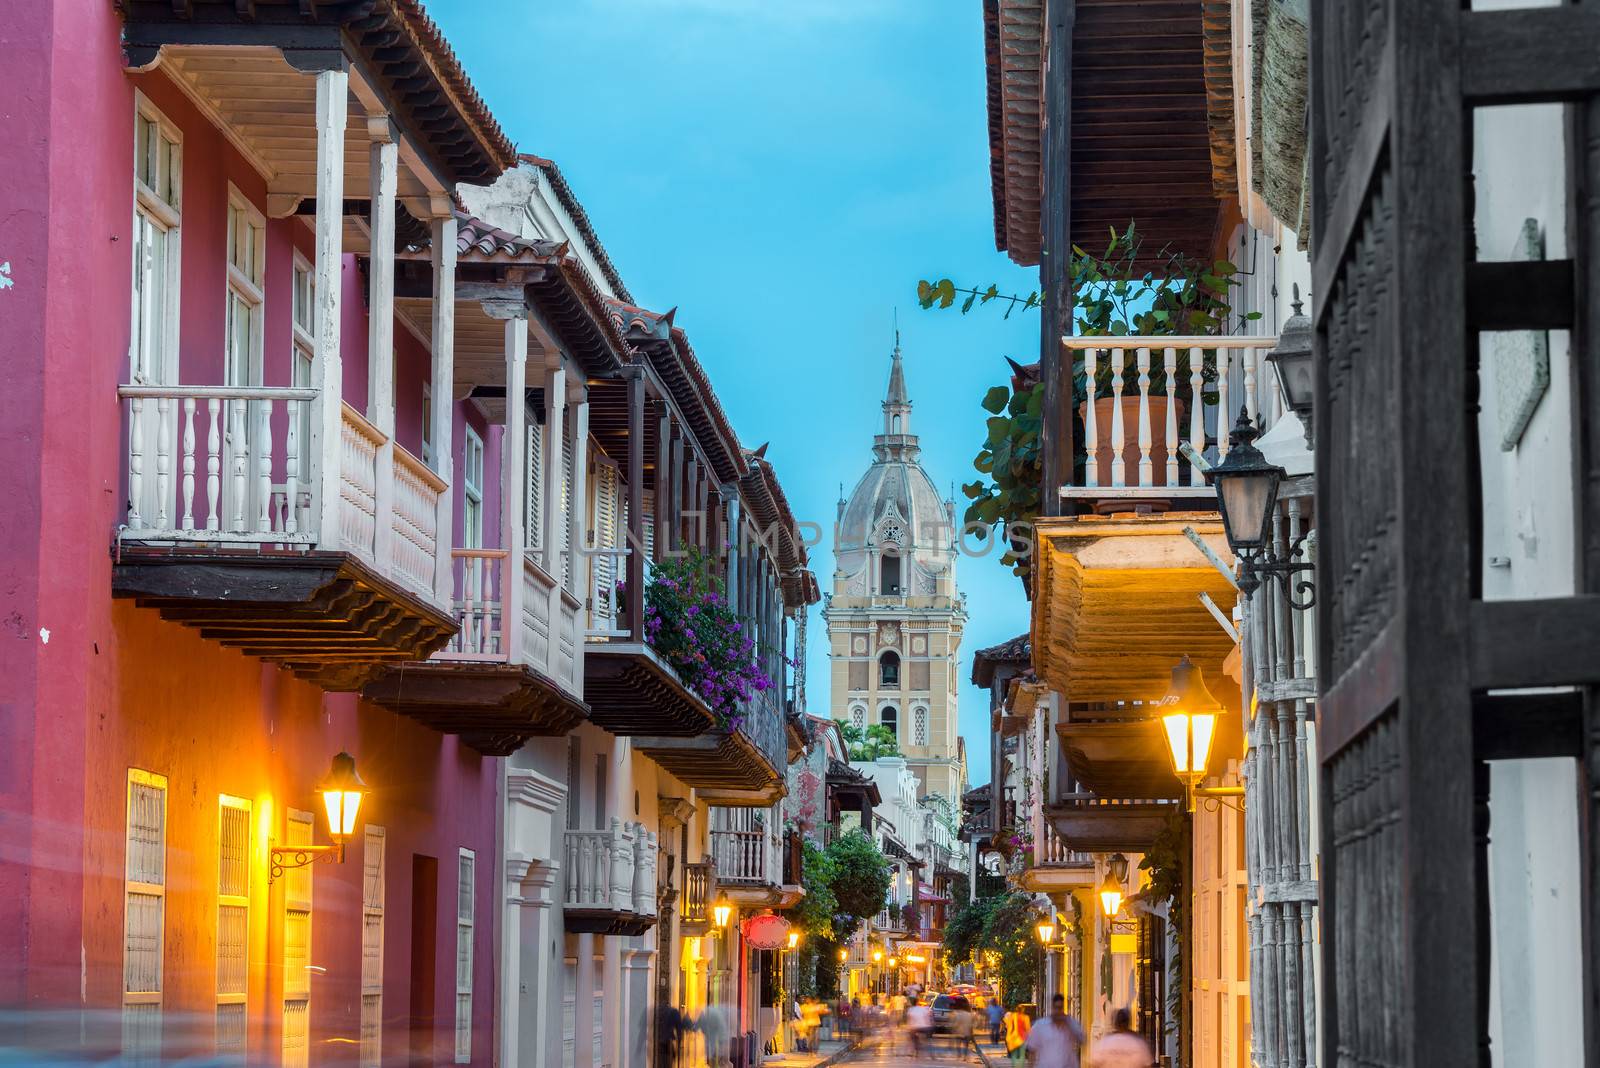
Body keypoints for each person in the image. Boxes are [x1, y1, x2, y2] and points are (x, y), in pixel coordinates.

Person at [1024, 994, 1086, 1068]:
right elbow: (1032, 1050)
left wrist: (1069, 1025)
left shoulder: (1071, 1024)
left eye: (1060, 1008)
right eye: (1056, 1008)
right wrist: (1030, 1066)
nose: (1058, 1011)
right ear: (1052, 1008)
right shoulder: (1040, 1026)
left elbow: (1082, 1040)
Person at [1086, 1009, 1155, 1068]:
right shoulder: (1139, 1044)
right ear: (1128, 1023)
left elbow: (1094, 1064)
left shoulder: (1104, 1044)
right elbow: (1147, 1065)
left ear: (1115, 1023)